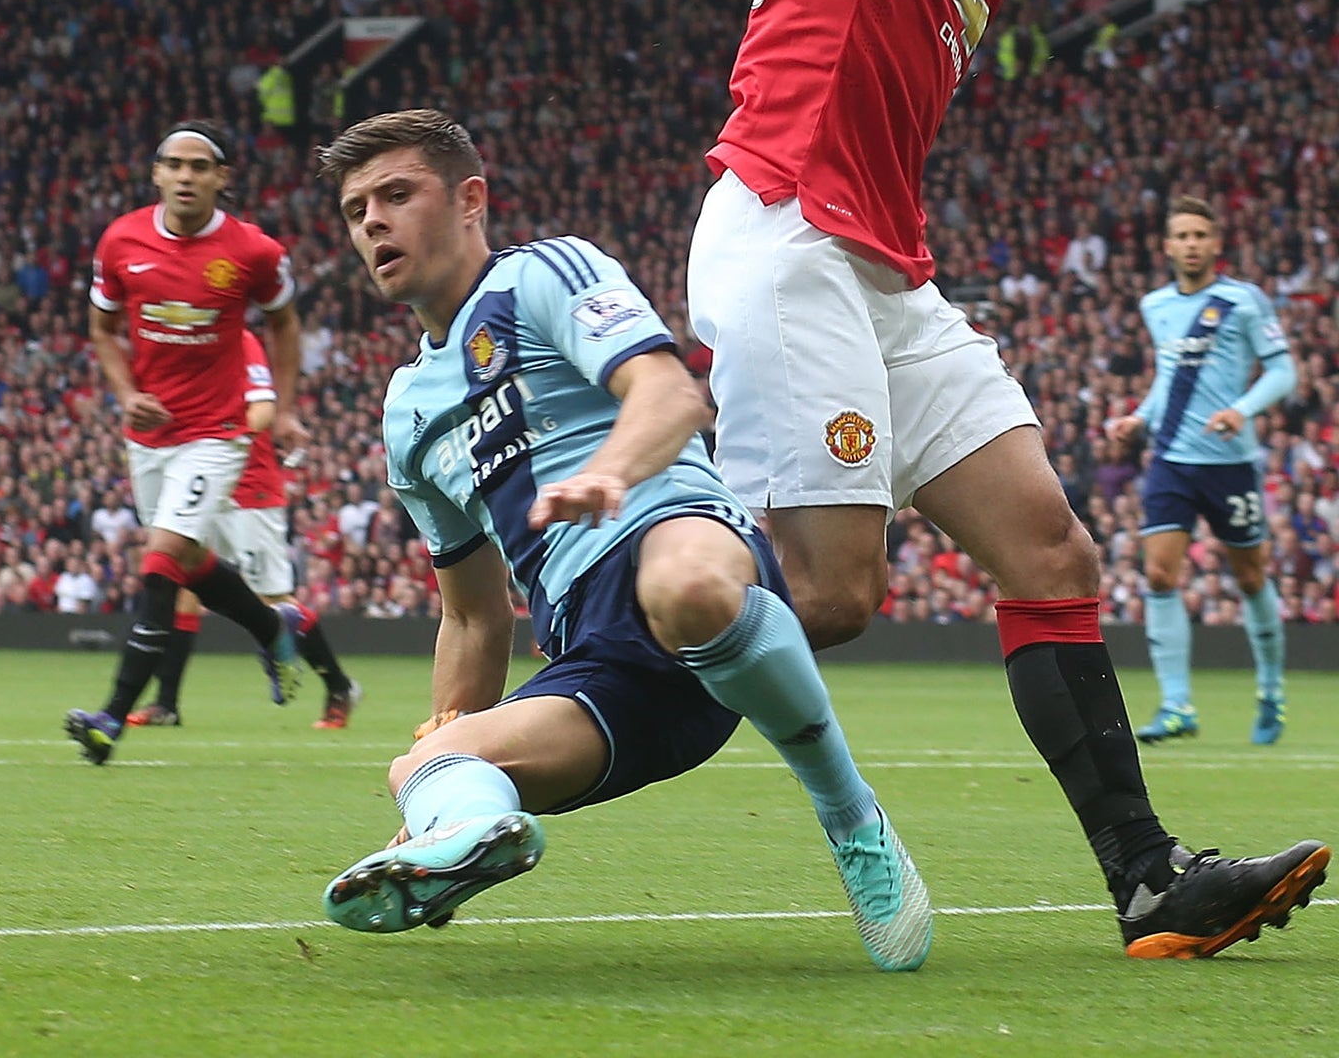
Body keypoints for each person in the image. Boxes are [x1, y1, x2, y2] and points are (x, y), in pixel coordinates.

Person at [684, 0, 1327, 957]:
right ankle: (600, 645)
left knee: (1052, 555)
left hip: (884, 269)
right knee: (838, 599)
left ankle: (1150, 882)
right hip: (790, 225)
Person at [312, 110, 930, 970]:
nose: (373, 221)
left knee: (682, 587)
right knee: (419, 762)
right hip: (600, 657)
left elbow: (672, 396)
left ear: (468, 200)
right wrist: (440, 771)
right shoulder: (408, 410)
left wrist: (611, 472)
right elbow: (474, 614)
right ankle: (458, 838)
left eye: (395, 194)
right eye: (354, 211)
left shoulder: (544, 275)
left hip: (679, 544)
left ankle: (851, 818)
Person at [64, 120, 311, 763]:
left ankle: (111, 717)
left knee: (160, 560)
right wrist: (124, 395)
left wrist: (282, 410)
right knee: (191, 563)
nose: (186, 176)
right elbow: (101, 328)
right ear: (156, 174)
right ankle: (271, 626)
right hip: (150, 434)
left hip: (219, 431)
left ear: (221, 178)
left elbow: (284, 325)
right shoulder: (121, 241)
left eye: (201, 166)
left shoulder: (253, 251)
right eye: (175, 164)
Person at [1107, 196, 1296, 745]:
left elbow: (1283, 372)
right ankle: (1176, 706)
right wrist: (1137, 419)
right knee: (1160, 575)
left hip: (1230, 464)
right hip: (1171, 459)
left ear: (1216, 243)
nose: (1191, 244)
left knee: (1250, 576)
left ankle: (1271, 689)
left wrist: (1243, 410)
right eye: (1181, 235)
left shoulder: (1243, 302)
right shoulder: (1156, 306)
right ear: (1167, 246)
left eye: (1199, 235)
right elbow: (1170, 380)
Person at [127, 328, 361, 730]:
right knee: (182, 582)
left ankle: (339, 686)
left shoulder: (236, 337)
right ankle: (166, 703)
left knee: (274, 600)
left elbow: (263, 409)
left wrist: (216, 436)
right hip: (199, 480)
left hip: (246, 487)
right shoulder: (181, 343)